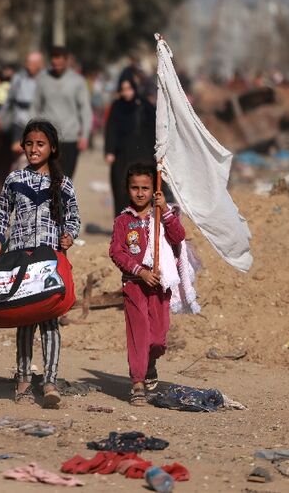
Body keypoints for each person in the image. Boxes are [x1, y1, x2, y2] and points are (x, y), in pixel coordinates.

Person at [0, 120, 80, 410]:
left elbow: (74, 218)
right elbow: (3, 213)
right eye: (29, 144)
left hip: (51, 260)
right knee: (24, 319)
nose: (33, 149)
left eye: (40, 144)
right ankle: (23, 381)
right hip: (21, 260)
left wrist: (70, 235)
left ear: (52, 148)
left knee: (50, 321)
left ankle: (50, 382)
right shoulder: (14, 180)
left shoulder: (63, 184)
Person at [108, 164, 187, 406]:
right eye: (135, 188)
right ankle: (138, 383)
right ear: (127, 189)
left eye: (145, 188)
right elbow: (116, 252)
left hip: (160, 286)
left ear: (154, 189)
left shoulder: (162, 216)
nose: (140, 193)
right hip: (135, 285)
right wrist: (140, 272)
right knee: (139, 334)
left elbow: (178, 237)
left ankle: (150, 363)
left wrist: (165, 211)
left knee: (158, 340)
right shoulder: (123, 221)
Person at [31, 47, 92, 179]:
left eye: (59, 62)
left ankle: (61, 200)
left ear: (66, 61)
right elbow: (34, 106)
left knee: (65, 179)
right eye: (54, 62)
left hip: (70, 137)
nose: (56, 65)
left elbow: (85, 109)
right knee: (45, 177)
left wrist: (85, 135)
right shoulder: (42, 79)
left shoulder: (77, 81)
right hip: (47, 136)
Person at [104, 78, 156, 216]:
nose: (126, 93)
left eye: (129, 89)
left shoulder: (145, 106)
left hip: (143, 156)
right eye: (123, 89)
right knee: (121, 190)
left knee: (142, 191)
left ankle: (143, 225)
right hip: (122, 156)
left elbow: (155, 129)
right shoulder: (117, 106)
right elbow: (111, 129)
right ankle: (122, 224)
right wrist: (109, 151)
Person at [8, 51, 44, 153]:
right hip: (19, 121)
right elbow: (10, 100)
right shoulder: (18, 78)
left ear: (40, 65)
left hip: (38, 121)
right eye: (28, 63)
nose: (29, 66)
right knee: (17, 150)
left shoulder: (46, 79)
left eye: (33, 63)